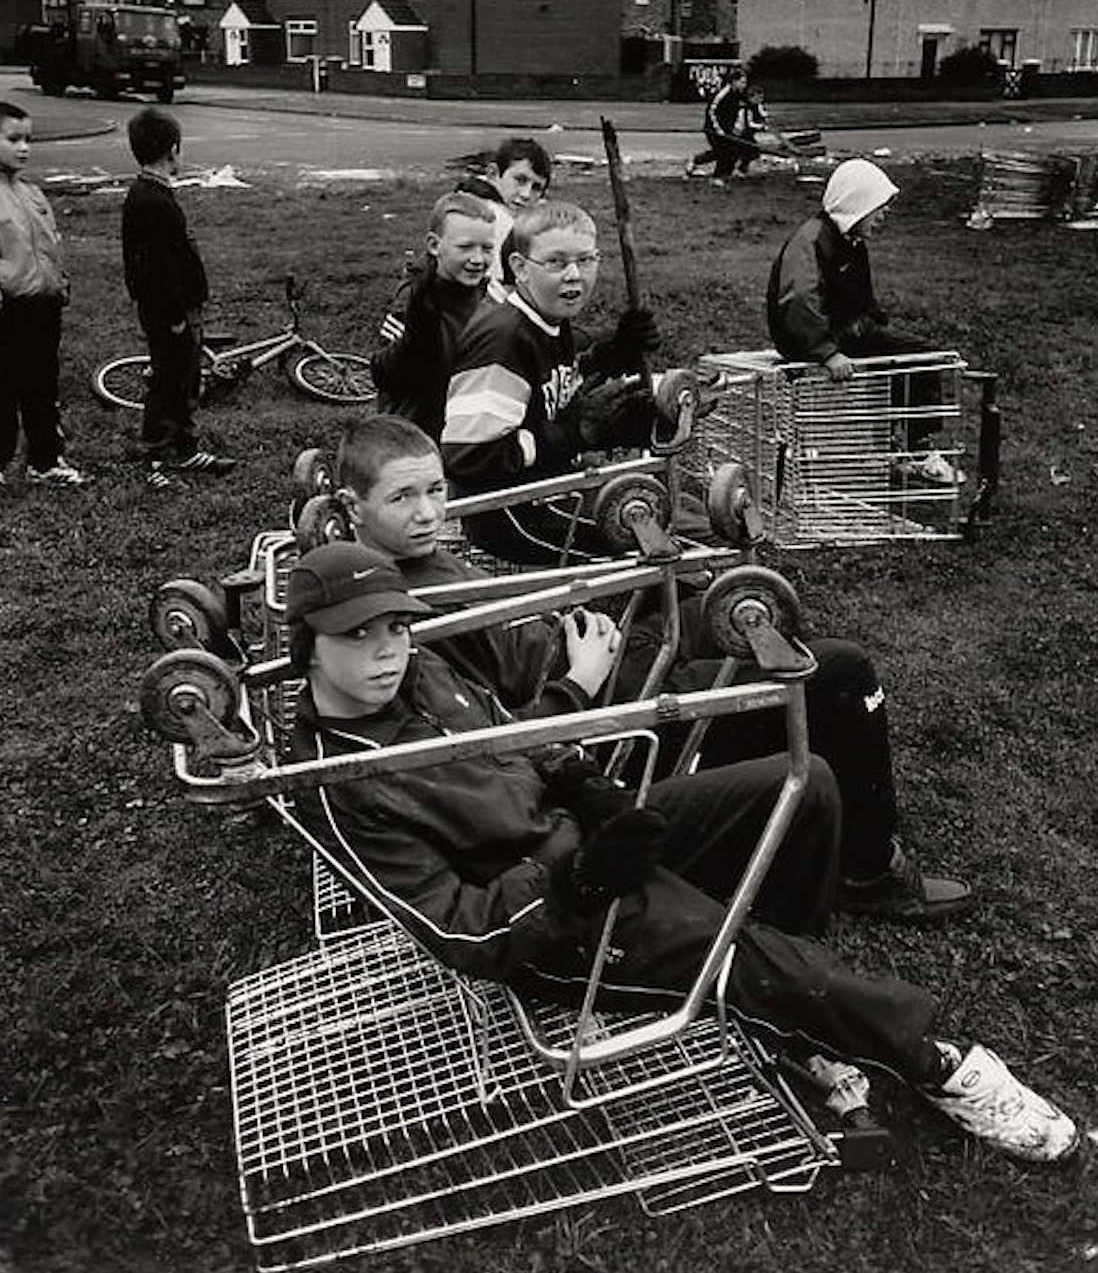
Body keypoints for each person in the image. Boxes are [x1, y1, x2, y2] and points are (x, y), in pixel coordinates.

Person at [283, 540, 1078, 1166]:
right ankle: (940, 1063)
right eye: (356, 635)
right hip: (561, 921)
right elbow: (462, 934)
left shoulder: (422, 672)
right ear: (307, 648)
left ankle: (780, 999)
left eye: (394, 625)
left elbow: (518, 746)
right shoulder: (338, 783)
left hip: (587, 838)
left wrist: (587, 788)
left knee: (806, 786)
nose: (385, 649)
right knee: (743, 955)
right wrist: (579, 877)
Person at [332, 412, 973, 923]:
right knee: (841, 672)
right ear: (352, 506)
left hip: (602, 654)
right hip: (605, 716)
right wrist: (578, 678)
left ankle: (821, 806)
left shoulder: (389, 563)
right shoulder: (389, 620)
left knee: (748, 607)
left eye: (436, 491)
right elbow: (490, 744)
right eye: (402, 498)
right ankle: (866, 869)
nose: (427, 514)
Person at [441, 198, 661, 564]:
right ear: (520, 268)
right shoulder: (504, 341)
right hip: (512, 513)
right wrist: (575, 434)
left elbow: (555, 387)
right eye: (556, 262)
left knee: (674, 507)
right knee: (668, 537)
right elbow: (467, 456)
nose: (573, 275)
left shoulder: (549, 323)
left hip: (551, 489)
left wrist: (616, 352)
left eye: (586, 260)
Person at [766, 158, 961, 485]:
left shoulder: (851, 242)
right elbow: (799, 300)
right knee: (904, 358)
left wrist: (872, 322)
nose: (883, 215)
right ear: (856, 205)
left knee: (922, 357)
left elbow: (859, 298)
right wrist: (826, 352)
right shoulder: (812, 240)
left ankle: (909, 448)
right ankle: (907, 451)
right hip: (814, 340)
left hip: (848, 332)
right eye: (877, 207)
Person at [121, 107, 235, 490]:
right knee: (169, 381)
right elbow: (157, 268)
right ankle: (159, 456)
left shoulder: (150, 195)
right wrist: (174, 315)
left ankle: (185, 448)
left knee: (185, 378)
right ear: (172, 150)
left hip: (178, 307)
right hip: (170, 311)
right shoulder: (152, 201)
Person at [0, 100, 88, 487]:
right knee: (4, 391)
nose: (24, 148)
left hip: (43, 305)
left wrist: (60, 283)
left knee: (42, 387)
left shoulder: (32, 194)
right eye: (13, 139)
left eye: (28, 140)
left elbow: (50, 243)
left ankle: (45, 460)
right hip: (8, 307)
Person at [370, 192, 500, 439]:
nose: (478, 259)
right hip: (415, 434)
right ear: (434, 245)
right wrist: (418, 335)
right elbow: (384, 375)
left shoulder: (486, 293)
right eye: (465, 247)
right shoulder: (414, 302)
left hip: (466, 426)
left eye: (487, 248)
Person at [452, 135, 553, 299]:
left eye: (536, 188)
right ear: (493, 173)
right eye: (520, 180)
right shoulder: (496, 219)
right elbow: (500, 290)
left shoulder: (464, 198)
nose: (526, 194)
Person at [686, 69, 752, 183]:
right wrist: (718, 130)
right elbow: (712, 111)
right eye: (742, 82)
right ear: (733, 81)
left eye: (745, 83)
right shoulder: (723, 94)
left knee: (730, 151)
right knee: (723, 151)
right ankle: (717, 177)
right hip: (713, 129)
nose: (744, 85)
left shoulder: (739, 94)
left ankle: (697, 162)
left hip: (728, 129)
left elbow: (750, 104)